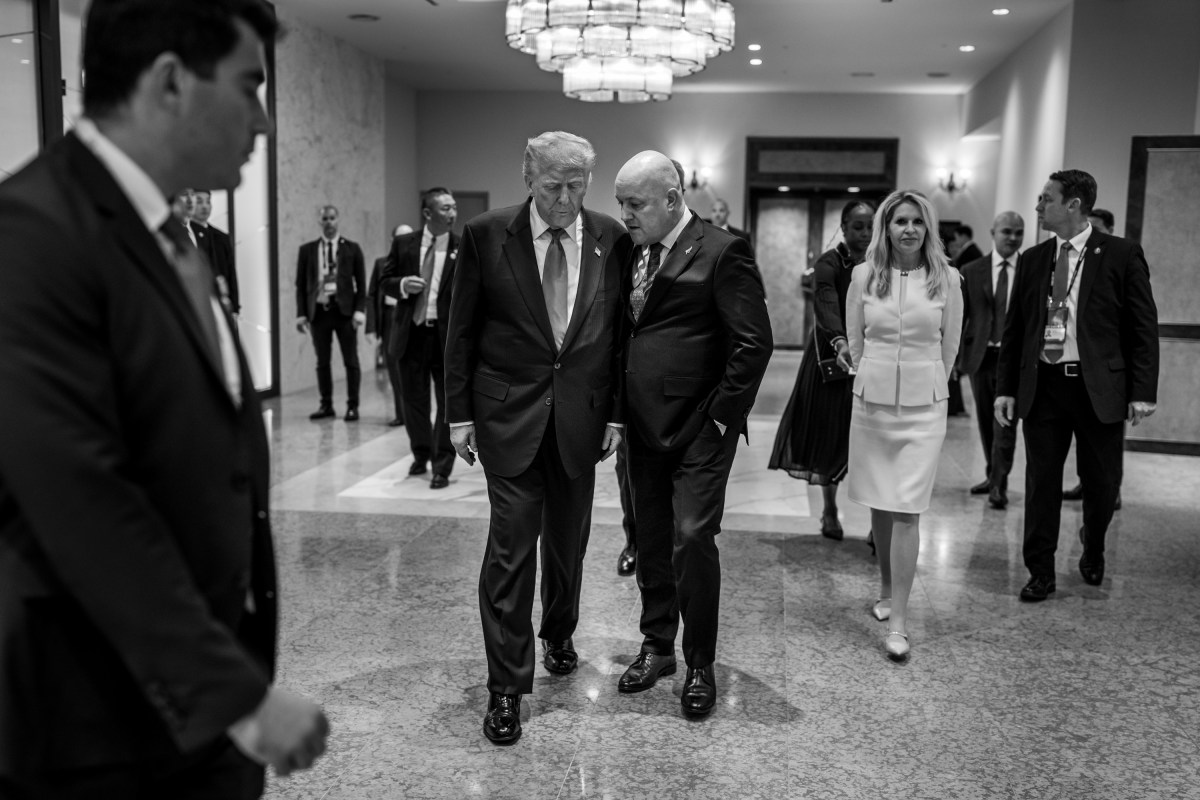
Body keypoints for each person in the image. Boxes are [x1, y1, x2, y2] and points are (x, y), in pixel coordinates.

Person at [0, 1, 329, 797]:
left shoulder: (168, 236)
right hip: (94, 724)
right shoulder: (34, 235)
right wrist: (234, 694)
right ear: (172, 82)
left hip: (190, 714)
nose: (264, 122)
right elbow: (80, 499)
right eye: (249, 86)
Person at [444, 131, 629, 745]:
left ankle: (559, 630)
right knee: (510, 552)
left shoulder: (611, 236)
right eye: (554, 186)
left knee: (569, 546)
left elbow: (619, 336)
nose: (566, 200)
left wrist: (617, 416)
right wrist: (459, 415)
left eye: (578, 186)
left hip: (582, 418)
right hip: (508, 418)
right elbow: (461, 330)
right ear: (528, 176)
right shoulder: (485, 233)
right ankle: (505, 687)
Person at [614, 151, 772, 717]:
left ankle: (700, 660)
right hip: (640, 428)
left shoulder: (724, 251)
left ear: (672, 199)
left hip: (700, 430)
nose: (625, 214)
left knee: (692, 538)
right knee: (650, 538)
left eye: (634, 204)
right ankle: (657, 645)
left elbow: (754, 345)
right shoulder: (630, 251)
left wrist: (721, 421)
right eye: (621, 204)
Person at [996, 171, 1158, 602]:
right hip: (1044, 386)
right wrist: (1005, 387)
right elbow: (1016, 331)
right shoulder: (1033, 260)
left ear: (1073, 205)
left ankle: (1094, 545)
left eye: (1045, 198)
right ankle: (1040, 571)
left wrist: (1143, 391)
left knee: (1101, 482)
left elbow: (1142, 327)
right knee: (1041, 482)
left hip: (1097, 389)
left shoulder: (1121, 254)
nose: (1037, 205)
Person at [843, 190, 963, 662]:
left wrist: (925, 382)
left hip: (923, 407)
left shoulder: (947, 279)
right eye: (899, 222)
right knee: (879, 498)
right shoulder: (863, 276)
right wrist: (871, 376)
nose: (908, 229)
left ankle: (900, 621)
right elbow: (856, 340)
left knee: (907, 507)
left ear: (927, 228)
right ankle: (887, 588)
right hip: (872, 405)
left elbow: (950, 346)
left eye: (917, 221)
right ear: (886, 229)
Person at [769, 199, 875, 539]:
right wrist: (841, 341)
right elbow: (827, 303)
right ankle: (829, 510)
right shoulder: (830, 263)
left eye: (871, 226)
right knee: (830, 436)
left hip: (875, 359)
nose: (865, 232)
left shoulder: (881, 263)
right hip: (832, 356)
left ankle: (879, 523)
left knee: (873, 442)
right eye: (858, 226)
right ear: (843, 228)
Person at [381, 188, 460, 488]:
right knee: (412, 401)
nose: (452, 213)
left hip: (444, 337)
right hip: (410, 334)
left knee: (445, 404)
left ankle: (442, 465)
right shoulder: (404, 244)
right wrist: (402, 284)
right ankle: (420, 452)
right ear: (428, 213)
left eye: (454, 207)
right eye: (445, 208)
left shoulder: (461, 245)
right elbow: (383, 282)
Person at [958, 211, 1024, 509]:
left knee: (1005, 423)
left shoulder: (1030, 269)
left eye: (1018, 233)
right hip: (981, 356)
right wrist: (955, 359)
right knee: (986, 421)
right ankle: (991, 473)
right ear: (993, 233)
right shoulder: (973, 270)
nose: (1013, 237)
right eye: (1007, 231)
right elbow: (962, 316)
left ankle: (999, 483)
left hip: (1015, 360)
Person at [1063, 207, 1122, 509]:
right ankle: (1085, 483)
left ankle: (1111, 491)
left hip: (1106, 372)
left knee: (1106, 448)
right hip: (1071, 368)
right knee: (1082, 442)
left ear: (1109, 229)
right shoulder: (1071, 260)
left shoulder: (1121, 258)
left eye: (1097, 228)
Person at [295, 204, 367, 421]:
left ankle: (352, 405)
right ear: (320, 222)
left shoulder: (352, 249)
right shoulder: (307, 250)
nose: (328, 222)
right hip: (319, 312)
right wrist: (301, 314)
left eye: (332, 218)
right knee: (322, 362)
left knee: (351, 361)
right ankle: (326, 405)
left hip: (344, 313)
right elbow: (301, 285)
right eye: (324, 218)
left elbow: (361, 285)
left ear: (338, 220)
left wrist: (359, 311)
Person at [367, 223, 413, 426]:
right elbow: (372, 295)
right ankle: (401, 414)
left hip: (412, 319)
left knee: (413, 370)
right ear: (392, 241)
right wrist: (370, 326)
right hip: (389, 318)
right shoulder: (381, 264)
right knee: (393, 368)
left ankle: (414, 414)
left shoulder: (420, 264)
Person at [192, 188, 239, 314]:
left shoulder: (221, 237)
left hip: (222, 302)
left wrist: (234, 308)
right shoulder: (185, 235)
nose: (205, 207)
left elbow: (231, 274)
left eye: (208, 202)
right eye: (199, 202)